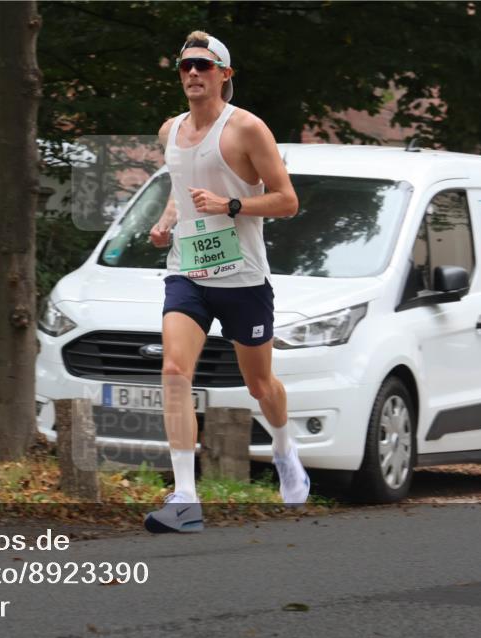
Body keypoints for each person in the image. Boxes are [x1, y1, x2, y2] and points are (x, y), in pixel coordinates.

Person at [143, 31, 308, 534]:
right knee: (174, 370)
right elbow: (181, 188)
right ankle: (186, 498)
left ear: (224, 74)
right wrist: (167, 220)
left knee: (260, 384)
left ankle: (283, 449)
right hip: (188, 270)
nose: (192, 73)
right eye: (185, 66)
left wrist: (232, 206)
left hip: (242, 276)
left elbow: (287, 200)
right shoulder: (169, 130)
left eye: (203, 66)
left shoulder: (247, 129)